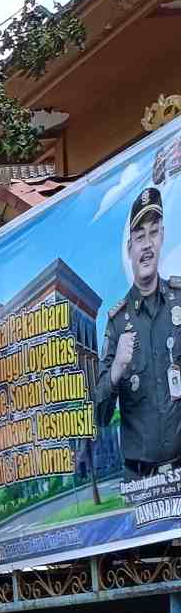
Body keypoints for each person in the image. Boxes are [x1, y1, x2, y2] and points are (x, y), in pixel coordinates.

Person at [95, 187, 181, 477]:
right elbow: (101, 415)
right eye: (139, 237)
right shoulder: (118, 323)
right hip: (142, 482)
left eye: (153, 233)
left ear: (162, 237)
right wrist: (118, 367)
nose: (147, 245)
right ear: (129, 248)